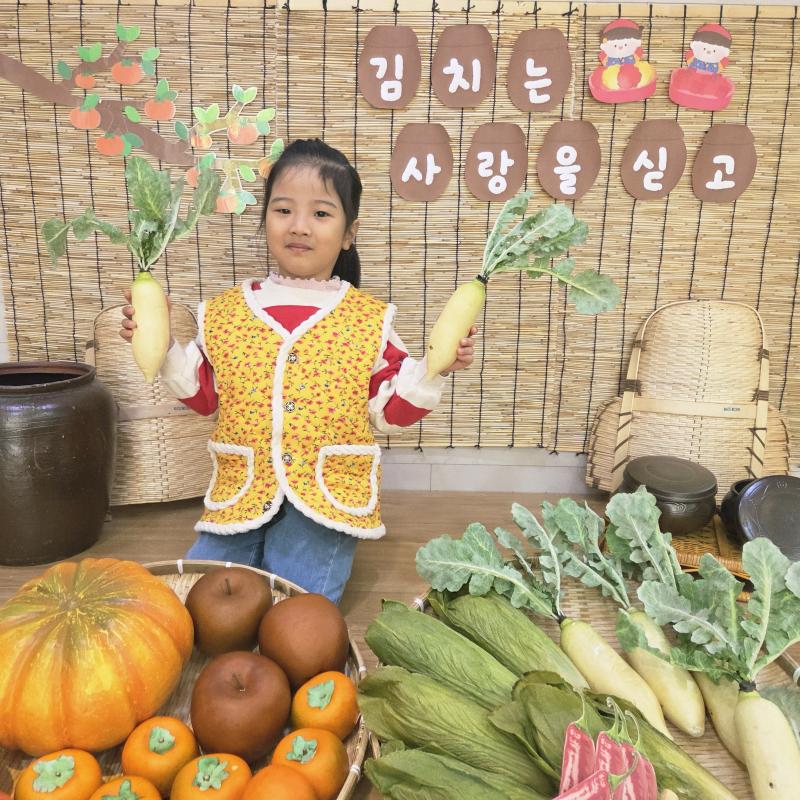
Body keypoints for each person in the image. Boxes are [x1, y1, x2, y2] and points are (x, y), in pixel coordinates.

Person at [120, 138, 477, 604]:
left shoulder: (368, 320)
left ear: (349, 233)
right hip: (241, 489)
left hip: (327, 496)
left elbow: (390, 413)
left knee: (295, 611)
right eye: (283, 210)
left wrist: (435, 369)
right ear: (265, 219)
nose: (299, 226)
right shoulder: (226, 312)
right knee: (197, 602)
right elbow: (205, 398)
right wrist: (162, 341)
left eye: (321, 214)